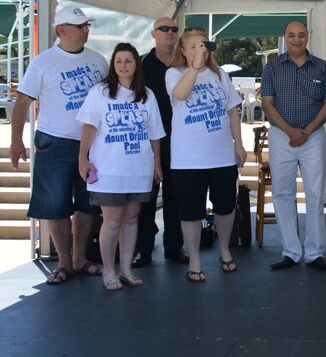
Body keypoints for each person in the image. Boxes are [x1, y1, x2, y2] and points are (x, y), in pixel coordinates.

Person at [10, 4, 108, 284]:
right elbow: (23, 102)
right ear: (61, 30)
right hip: (54, 142)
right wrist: (16, 140)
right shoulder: (43, 62)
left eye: (87, 26)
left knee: (87, 204)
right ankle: (64, 263)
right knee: (55, 204)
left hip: (91, 144)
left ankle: (79, 259)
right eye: (79, 26)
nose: (85, 31)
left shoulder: (98, 60)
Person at [77, 43, 166, 291]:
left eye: (128, 61)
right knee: (113, 218)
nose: (123, 66)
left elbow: (155, 133)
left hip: (139, 167)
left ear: (136, 64)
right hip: (108, 168)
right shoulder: (100, 92)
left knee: (132, 218)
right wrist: (82, 159)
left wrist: (157, 162)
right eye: (118, 61)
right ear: (113, 65)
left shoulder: (147, 94)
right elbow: (89, 127)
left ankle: (126, 269)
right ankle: (109, 270)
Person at [166, 27, 246, 282]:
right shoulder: (174, 73)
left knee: (225, 206)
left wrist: (239, 144)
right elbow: (180, 94)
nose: (199, 50)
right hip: (188, 158)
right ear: (183, 50)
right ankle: (195, 259)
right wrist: (195, 66)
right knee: (190, 211)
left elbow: (232, 110)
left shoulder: (219, 74)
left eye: (202, 45)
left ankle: (224, 249)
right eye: (192, 46)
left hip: (221, 155)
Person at [262, 20, 326, 271]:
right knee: (282, 194)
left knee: (315, 195)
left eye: (301, 35)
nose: (297, 39)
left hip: (313, 137)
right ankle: (291, 252)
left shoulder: (323, 67)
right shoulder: (272, 66)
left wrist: (307, 130)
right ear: (284, 37)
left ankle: (315, 253)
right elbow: (267, 103)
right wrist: (290, 131)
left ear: (308, 37)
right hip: (281, 136)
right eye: (292, 35)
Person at [133, 17, 187, 267]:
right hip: (150, 140)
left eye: (174, 29)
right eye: (164, 29)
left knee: (176, 195)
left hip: (181, 139)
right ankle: (143, 248)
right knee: (147, 196)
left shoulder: (185, 63)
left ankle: (174, 246)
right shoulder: (142, 65)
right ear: (153, 33)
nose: (170, 33)